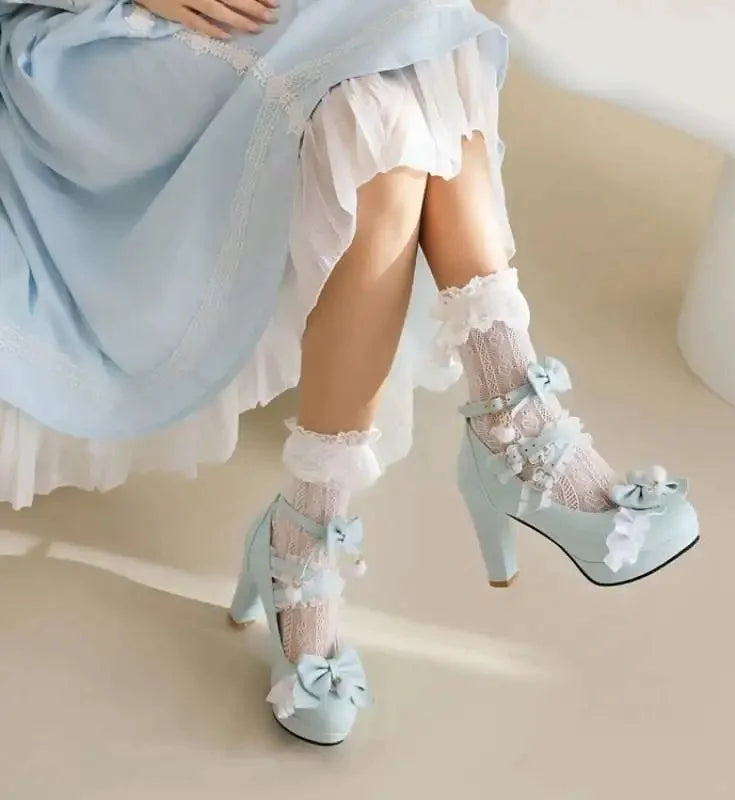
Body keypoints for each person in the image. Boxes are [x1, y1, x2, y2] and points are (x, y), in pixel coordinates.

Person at [0, 0, 698, 745]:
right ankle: (509, 423)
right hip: (92, 40)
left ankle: (311, 526)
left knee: (402, 74)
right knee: (407, 40)